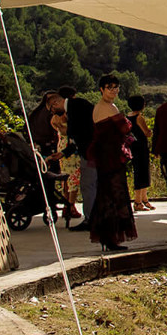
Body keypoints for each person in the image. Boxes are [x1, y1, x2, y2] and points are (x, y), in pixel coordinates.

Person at [86, 75, 138, 251]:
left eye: (116, 87)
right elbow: (124, 128)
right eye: (110, 87)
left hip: (108, 156)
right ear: (101, 89)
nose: (114, 90)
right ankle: (109, 236)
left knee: (108, 195)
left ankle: (109, 237)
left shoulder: (103, 106)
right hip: (110, 157)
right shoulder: (108, 107)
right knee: (113, 196)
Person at [63, 85, 96, 231]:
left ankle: (90, 218)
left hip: (88, 153)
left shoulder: (75, 109)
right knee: (86, 185)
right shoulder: (85, 105)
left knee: (87, 185)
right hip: (88, 152)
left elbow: (76, 133)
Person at [126, 94, 154, 212]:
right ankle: (138, 201)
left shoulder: (128, 116)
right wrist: (151, 132)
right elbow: (146, 132)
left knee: (140, 172)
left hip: (133, 147)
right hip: (141, 147)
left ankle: (144, 198)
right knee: (142, 173)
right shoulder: (139, 117)